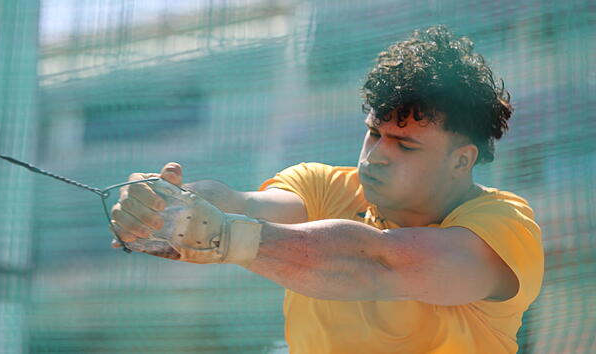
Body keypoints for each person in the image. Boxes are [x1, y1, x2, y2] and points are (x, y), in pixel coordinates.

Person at [110, 26, 543, 353]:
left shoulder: (505, 224)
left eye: (404, 144)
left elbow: (379, 264)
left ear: (461, 160)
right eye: (374, 134)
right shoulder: (323, 186)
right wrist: (169, 204)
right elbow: (243, 204)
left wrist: (227, 236)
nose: (374, 156)